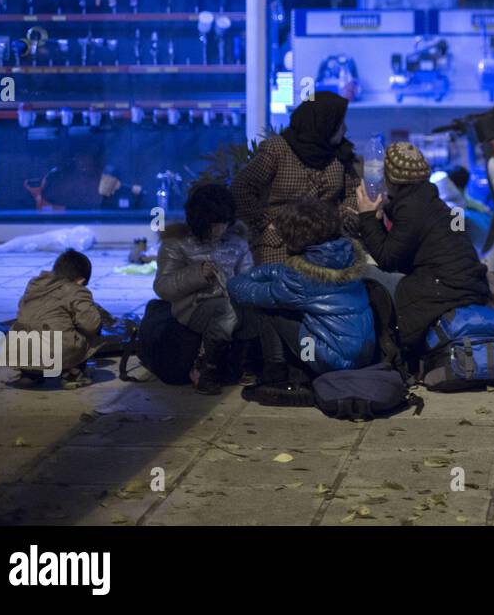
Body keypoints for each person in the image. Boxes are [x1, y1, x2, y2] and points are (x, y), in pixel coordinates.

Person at [228, 200, 377, 400]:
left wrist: (233, 281)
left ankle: (277, 375)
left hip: (328, 360)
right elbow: (280, 271)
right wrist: (255, 273)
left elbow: (250, 294)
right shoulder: (343, 255)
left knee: (271, 311)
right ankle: (294, 369)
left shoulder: (300, 279)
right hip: (363, 354)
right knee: (291, 308)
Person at [355, 142, 491, 356]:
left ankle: (388, 350)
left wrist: (367, 217)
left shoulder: (412, 208)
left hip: (443, 290)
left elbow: (388, 259)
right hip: (467, 284)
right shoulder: (428, 200)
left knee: (369, 276)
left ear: (389, 177)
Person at [231, 91, 362, 265]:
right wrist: (266, 222)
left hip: (327, 242)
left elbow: (352, 192)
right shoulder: (277, 150)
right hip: (281, 242)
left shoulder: (340, 152)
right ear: (322, 123)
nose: (345, 128)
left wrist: (345, 215)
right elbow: (241, 188)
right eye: (339, 123)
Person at [153, 182, 254, 395]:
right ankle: (207, 367)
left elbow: (248, 277)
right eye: (214, 224)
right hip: (192, 307)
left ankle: (242, 366)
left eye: (224, 223)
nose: (220, 229)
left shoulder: (237, 243)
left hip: (229, 304)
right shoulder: (176, 244)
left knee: (249, 312)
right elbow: (163, 287)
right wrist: (198, 274)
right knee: (227, 310)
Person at [9, 250, 112, 389]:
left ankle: (30, 374)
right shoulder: (76, 290)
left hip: (18, 352)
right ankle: (73, 374)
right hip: (53, 355)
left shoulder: (35, 284)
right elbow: (91, 325)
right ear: (80, 280)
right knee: (93, 326)